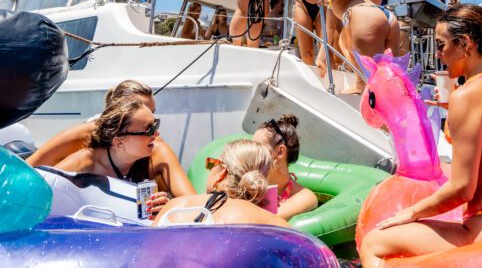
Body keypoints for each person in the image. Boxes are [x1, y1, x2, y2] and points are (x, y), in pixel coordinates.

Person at [359, 4, 482, 266]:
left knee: (374, 243)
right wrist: (450, 108)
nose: (439, 54)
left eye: (442, 45)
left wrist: (410, 213)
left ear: (466, 44)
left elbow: (462, 190)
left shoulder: (466, 96)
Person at [27, 80, 195, 199]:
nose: (154, 131)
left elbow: (192, 201)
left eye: (153, 117)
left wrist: (166, 203)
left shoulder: (156, 148)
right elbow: (28, 176)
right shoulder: (82, 141)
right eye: (138, 110)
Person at [54, 99, 170, 219]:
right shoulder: (80, 165)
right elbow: (44, 196)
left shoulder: (152, 157)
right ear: (119, 142)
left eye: (155, 124)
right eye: (149, 129)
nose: (156, 134)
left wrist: (164, 207)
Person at [154, 140, 289, 228]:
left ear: (222, 173)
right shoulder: (275, 225)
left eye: (212, 164)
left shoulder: (173, 207)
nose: (209, 168)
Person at [252, 115, 318, 220]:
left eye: (256, 148)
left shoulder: (304, 197)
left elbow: (265, 220)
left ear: (279, 152)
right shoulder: (246, 187)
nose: (249, 153)